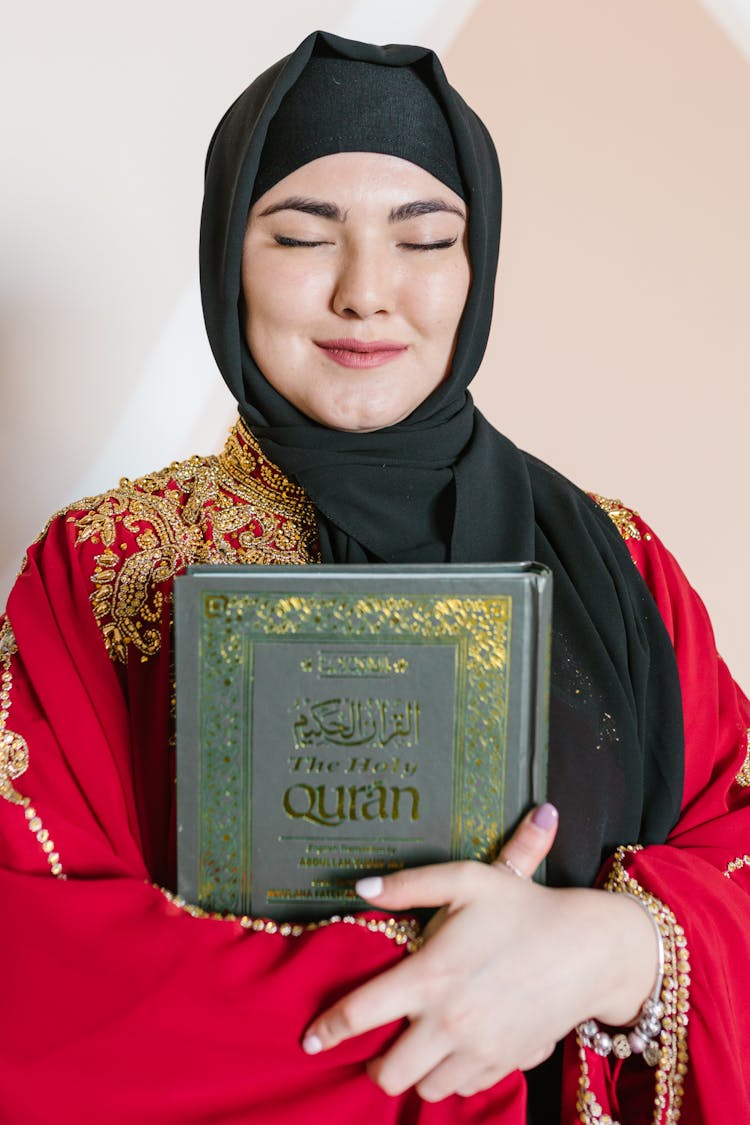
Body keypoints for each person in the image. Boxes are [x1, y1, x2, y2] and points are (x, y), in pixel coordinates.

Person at [1, 29, 748, 1124]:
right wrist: (458, 1004)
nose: (366, 293)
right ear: (226, 259)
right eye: (304, 235)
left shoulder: (617, 561)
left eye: (426, 239)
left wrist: (612, 951)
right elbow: (40, 962)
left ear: (475, 265)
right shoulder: (110, 569)